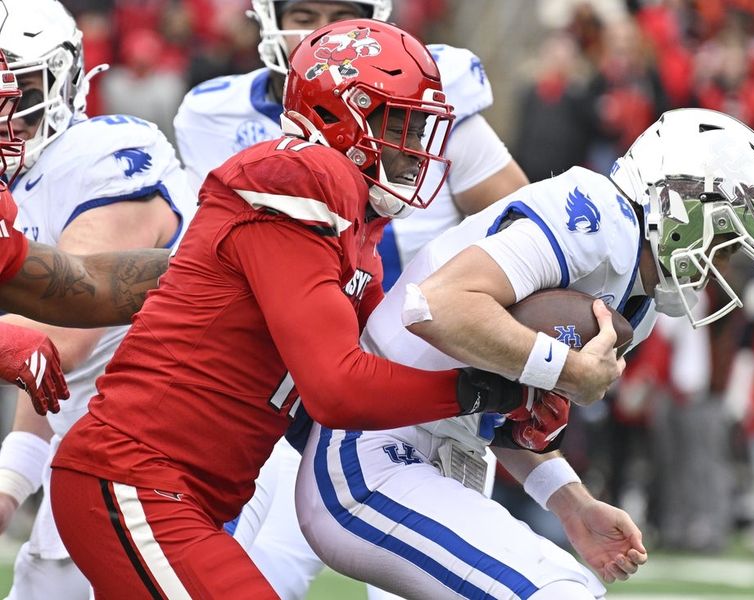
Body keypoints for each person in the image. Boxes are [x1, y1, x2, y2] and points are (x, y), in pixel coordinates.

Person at [49, 20, 620, 599]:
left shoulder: (356, 238)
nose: (416, 144)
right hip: (133, 477)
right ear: (337, 114)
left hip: (177, 489)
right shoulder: (297, 177)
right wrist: (487, 391)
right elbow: (339, 389)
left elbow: (395, 374)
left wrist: (541, 456)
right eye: (400, 120)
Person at [295, 107, 754, 599]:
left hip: (443, 455)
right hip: (375, 448)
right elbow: (437, 306)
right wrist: (569, 368)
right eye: (722, 245)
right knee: (559, 591)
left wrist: (569, 501)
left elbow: (504, 407)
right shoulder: (598, 221)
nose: (718, 266)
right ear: (681, 208)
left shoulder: (638, 296)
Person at [173, 2, 529, 597]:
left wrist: (518, 367)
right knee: (249, 575)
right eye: (304, 10)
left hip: (407, 387)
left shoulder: (431, 86)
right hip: (278, 399)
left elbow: (525, 238)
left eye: (342, 11)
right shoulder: (217, 115)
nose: (323, 29)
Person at [0, 2, 197, 598]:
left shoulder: (96, 156)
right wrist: (12, 480)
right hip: (106, 438)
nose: (5, 110)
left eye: (19, 88)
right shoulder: (21, 183)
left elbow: (62, 338)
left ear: (61, 80)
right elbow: (47, 376)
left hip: (186, 444)